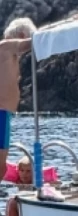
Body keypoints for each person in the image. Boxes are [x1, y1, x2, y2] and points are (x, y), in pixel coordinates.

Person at [0, 17, 35, 183]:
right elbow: (30, 42)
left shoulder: (8, 55)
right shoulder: (7, 46)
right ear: (21, 34)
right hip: (1, 111)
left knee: (1, 167)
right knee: (1, 167)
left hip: (4, 112)